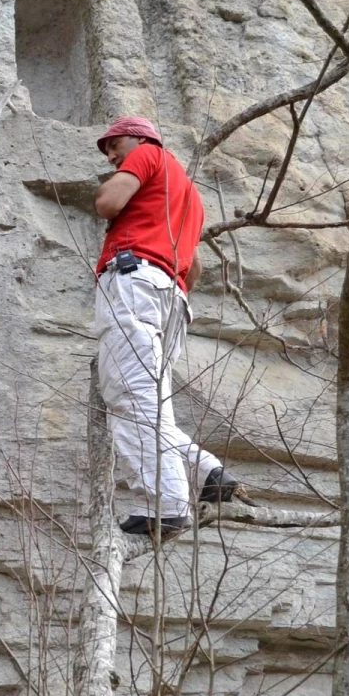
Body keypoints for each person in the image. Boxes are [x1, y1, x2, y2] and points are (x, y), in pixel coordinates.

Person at [92, 114, 238, 538]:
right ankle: (206, 472)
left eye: (114, 142)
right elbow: (193, 271)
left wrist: (115, 182)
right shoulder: (189, 195)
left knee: (130, 398)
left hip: (134, 280)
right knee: (148, 401)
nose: (111, 153)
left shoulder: (148, 156)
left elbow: (108, 204)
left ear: (140, 138)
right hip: (171, 295)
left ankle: (166, 506)